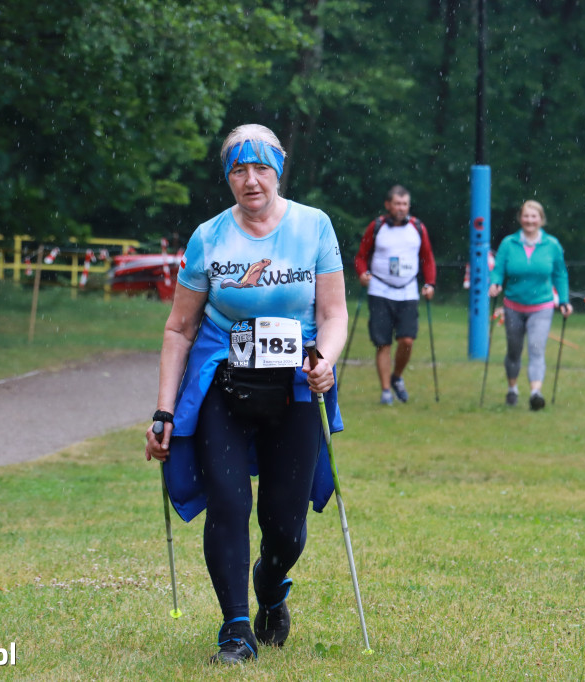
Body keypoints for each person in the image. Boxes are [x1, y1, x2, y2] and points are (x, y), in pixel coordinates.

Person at [144, 124, 348, 665]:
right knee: (229, 504)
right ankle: (235, 629)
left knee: (285, 524)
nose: (250, 180)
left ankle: (272, 581)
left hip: (295, 386)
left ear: (278, 169)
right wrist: (164, 410)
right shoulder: (209, 237)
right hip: (222, 383)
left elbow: (333, 315)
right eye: (239, 169)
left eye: (261, 168)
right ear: (228, 175)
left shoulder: (314, 227)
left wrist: (324, 360)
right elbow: (178, 330)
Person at [353, 185, 436, 405]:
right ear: (388, 205)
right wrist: (362, 274)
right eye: (397, 204)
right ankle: (386, 391)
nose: (401, 208)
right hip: (380, 290)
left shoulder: (417, 227)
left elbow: (427, 257)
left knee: (407, 340)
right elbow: (361, 256)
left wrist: (430, 283)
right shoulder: (377, 226)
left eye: (405, 204)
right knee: (383, 343)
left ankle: (397, 376)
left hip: (408, 291)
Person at [488, 199, 572, 410]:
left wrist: (563, 300)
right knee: (514, 351)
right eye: (526, 216)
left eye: (534, 216)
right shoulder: (509, 243)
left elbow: (560, 274)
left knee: (536, 348)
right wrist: (495, 283)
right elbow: (498, 269)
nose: (529, 220)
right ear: (520, 219)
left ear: (541, 219)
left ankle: (536, 393)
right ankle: (512, 389)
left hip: (542, 306)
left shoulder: (552, 245)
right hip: (513, 305)